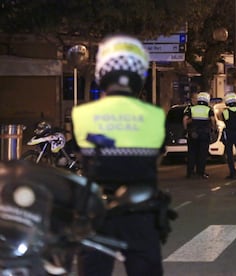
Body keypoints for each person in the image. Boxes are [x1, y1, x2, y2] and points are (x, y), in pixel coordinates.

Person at [72, 34, 169, 276]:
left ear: (103, 72)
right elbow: (158, 155)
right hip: (141, 214)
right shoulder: (154, 116)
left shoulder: (82, 115)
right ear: (139, 74)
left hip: (97, 212)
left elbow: (76, 155)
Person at [183, 92, 215, 179]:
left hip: (193, 134)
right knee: (202, 154)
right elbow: (212, 120)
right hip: (204, 134)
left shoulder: (192, 109)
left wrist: (186, 130)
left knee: (192, 153)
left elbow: (185, 119)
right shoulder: (208, 109)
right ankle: (200, 173)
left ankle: (190, 173)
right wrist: (213, 128)